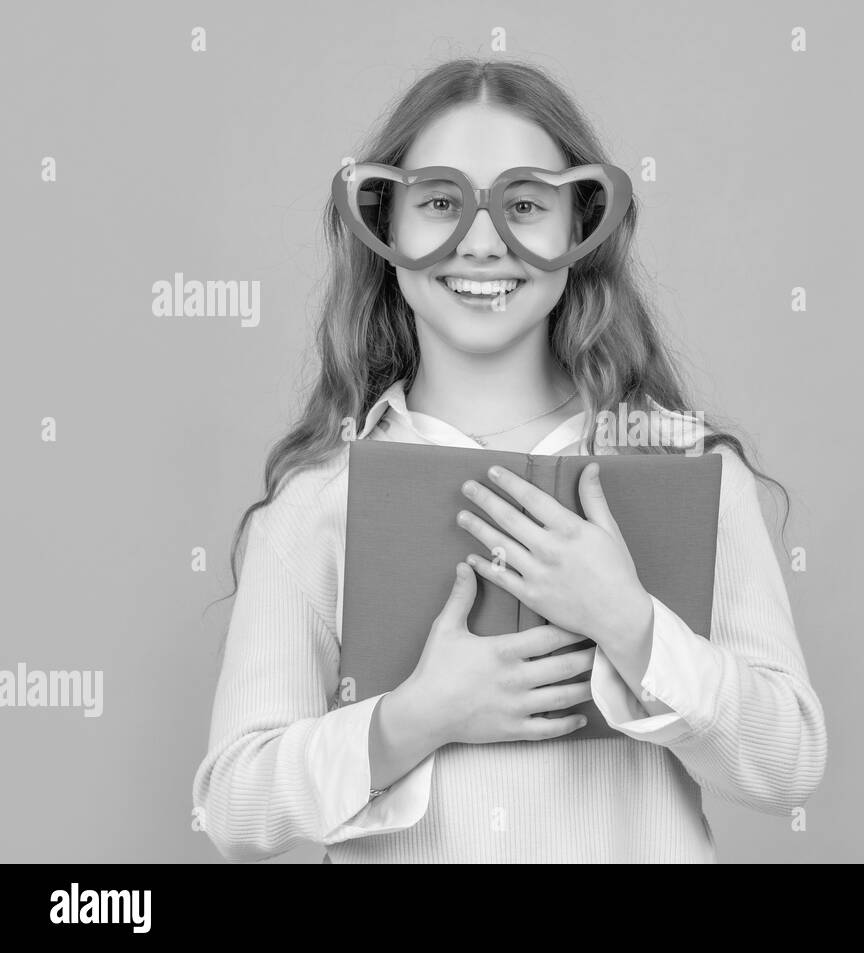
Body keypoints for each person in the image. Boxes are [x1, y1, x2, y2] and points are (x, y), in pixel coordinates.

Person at [192, 57, 826, 863]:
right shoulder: (320, 501)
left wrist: (630, 626)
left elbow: (790, 764)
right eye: (440, 204)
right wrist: (416, 717)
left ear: (577, 231)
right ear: (387, 230)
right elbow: (234, 807)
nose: (483, 243)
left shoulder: (686, 474)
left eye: (524, 204)